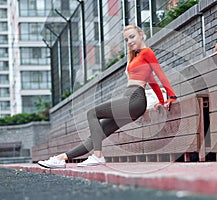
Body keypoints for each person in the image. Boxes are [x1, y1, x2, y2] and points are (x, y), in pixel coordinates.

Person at [38, 25, 177, 169]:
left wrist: (171, 97)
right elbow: (152, 81)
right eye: (126, 39)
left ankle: (98, 156)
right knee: (96, 136)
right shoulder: (136, 56)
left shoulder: (147, 52)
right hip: (132, 101)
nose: (129, 41)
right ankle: (61, 159)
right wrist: (161, 100)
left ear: (141, 35)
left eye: (132, 36)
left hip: (134, 100)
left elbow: (160, 74)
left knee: (92, 113)